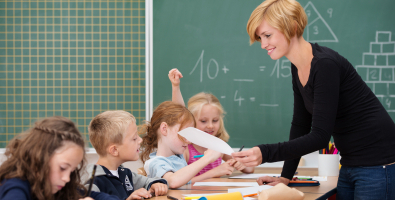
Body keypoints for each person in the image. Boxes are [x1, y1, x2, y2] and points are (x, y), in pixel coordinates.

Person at [231, 0, 395, 199]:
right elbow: (300, 124)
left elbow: (320, 136)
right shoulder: (297, 67)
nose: (263, 44)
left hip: (377, 163)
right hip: (351, 163)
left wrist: (264, 153)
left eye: (267, 35)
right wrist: (285, 177)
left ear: (291, 26)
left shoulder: (325, 65)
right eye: (260, 38)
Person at [0, 116, 120, 200]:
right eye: (62, 168)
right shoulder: (15, 187)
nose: (66, 178)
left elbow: (95, 196)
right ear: (40, 157)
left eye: (71, 171)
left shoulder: (56, 186)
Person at [168, 68, 254, 177]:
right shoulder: (186, 149)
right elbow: (179, 182)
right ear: (190, 122)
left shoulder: (219, 146)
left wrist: (241, 164)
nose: (210, 125)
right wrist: (175, 87)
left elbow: (250, 169)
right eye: (203, 121)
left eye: (215, 120)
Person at [87, 110, 168, 200]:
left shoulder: (123, 173)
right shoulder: (92, 181)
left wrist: (155, 184)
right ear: (114, 150)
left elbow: (147, 181)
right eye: (134, 138)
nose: (140, 140)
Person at [140, 101, 222, 188]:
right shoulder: (156, 163)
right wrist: (207, 158)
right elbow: (173, 181)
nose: (189, 141)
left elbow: (179, 110)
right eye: (185, 133)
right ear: (164, 129)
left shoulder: (179, 157)